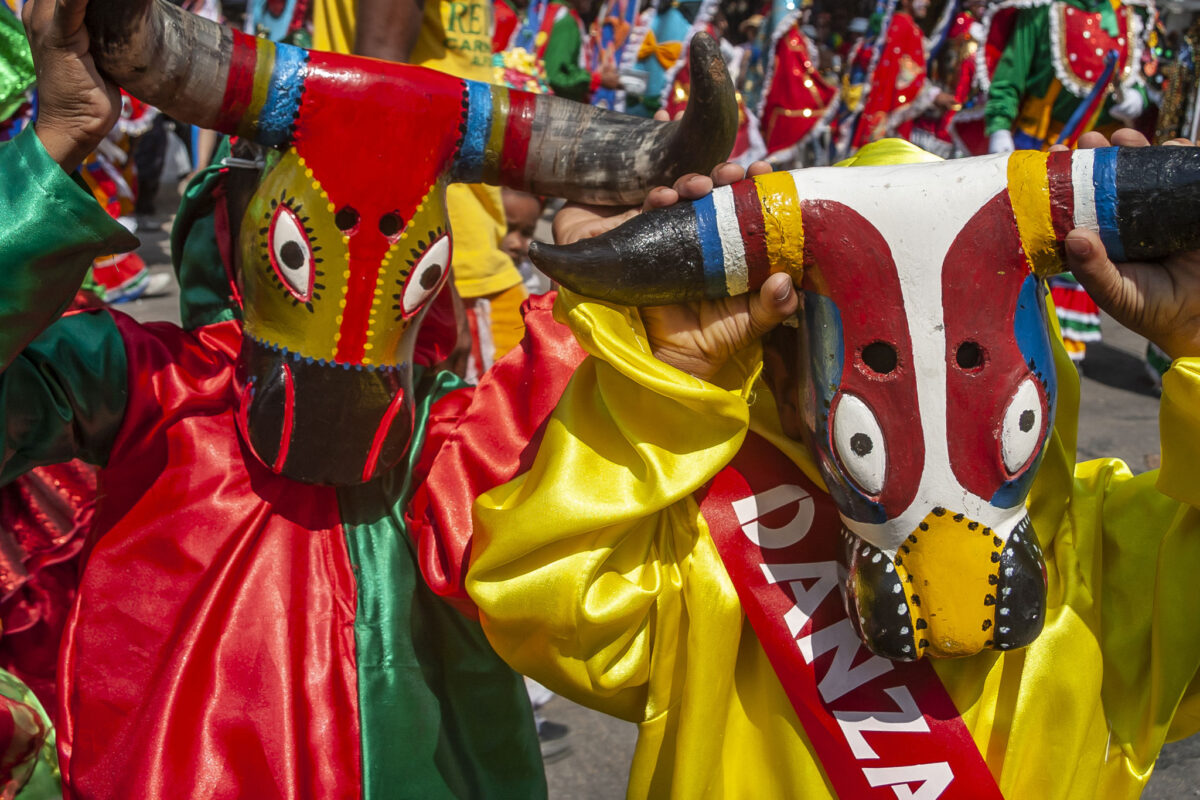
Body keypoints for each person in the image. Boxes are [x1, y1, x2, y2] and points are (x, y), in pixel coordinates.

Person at [2, 0, 734, 795]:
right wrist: (57, 142)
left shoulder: (445, 432)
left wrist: (632, 321)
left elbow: (581, 546)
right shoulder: (151, 385)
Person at [451, 130, 1200, 799]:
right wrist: (665, 385)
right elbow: (545, 605)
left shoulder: (1107, 554)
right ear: (784, 367)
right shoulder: (713, 549)